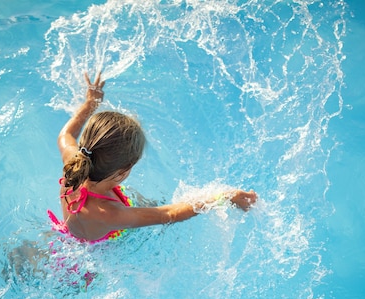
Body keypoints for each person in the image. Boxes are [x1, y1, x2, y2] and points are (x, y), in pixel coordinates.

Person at [47, 72, 258, 243]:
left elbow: (65, 135)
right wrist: (224, 197)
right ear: (124, 170)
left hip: (72, 229)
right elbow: (169, 215)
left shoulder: (73, 162)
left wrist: (90, 103)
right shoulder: (109, 213)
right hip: (87, 261)